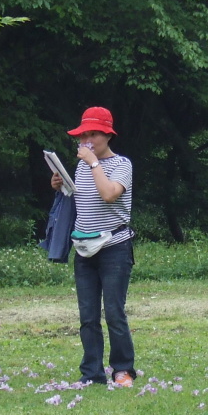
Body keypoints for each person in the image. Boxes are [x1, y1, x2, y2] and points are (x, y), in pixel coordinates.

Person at [50, 106, 136, 387]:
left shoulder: (122, 164)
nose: (86, 140)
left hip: (115, 247)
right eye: (83, 134)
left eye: (93, 134)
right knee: (87, 316)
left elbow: (109, 195)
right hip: (84, 248)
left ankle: (123, 370)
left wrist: (93, 164)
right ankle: (91, 373)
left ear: (107, 136)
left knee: (113, 311)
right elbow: (83, 201)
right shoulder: (81, 166)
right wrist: (61, 185)